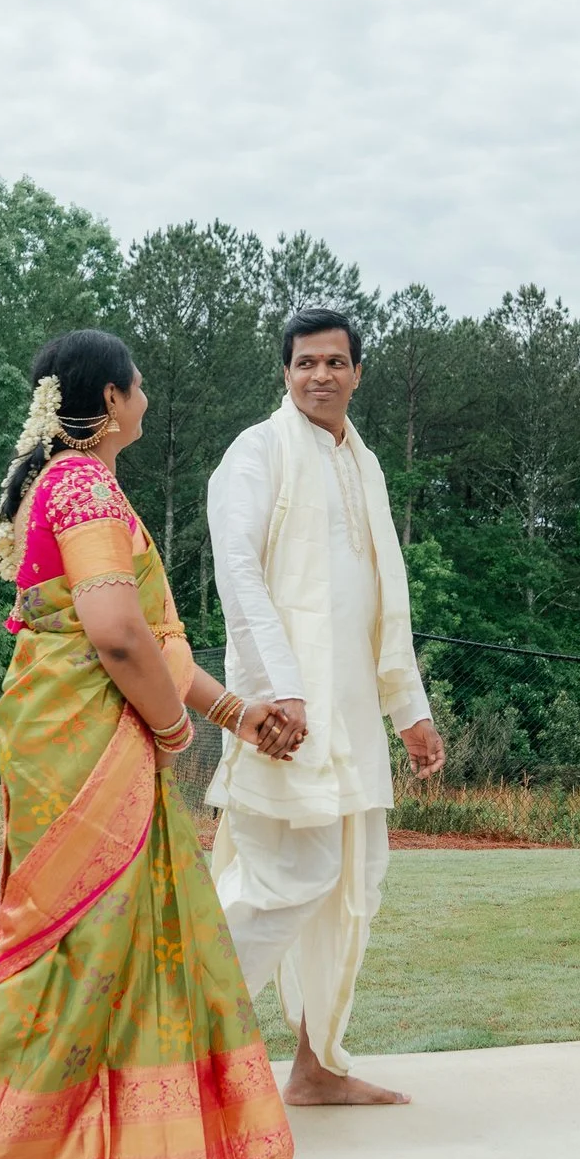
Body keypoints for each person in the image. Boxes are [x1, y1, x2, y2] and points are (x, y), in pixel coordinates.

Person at [0, 329, 297, 1159]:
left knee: (110, 935)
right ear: (113, 399)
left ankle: (91, 1135)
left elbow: (149, 641)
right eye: (141, 385)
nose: (148, 398)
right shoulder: (83, 484)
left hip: (78, 728)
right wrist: (172, 728)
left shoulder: (70, 483)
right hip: (85, 742)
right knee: (73, 934)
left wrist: (237, 714)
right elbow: (118, 634)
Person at [205, 307, 447, 1107]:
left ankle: (316, 1067)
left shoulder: (365, 464)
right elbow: (238, 572)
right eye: (305, 361)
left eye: (335, 362)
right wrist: (278, 688)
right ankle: (171, 1042)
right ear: (285, 372)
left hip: (351, 720)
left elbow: (383, 597)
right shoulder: (258, 450)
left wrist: (407, 710)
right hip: (286, 716)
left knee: (352, 885)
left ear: (357, 373)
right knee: (283, 878)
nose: (320, 375)